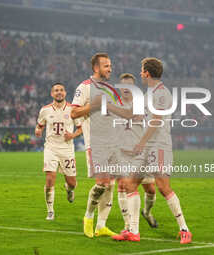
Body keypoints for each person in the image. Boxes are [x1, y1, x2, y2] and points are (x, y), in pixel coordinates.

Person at [111, 58, 192, 243]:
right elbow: (134, 114)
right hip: (147, 147)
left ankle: (185, 229)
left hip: (159, 146)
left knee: (163, 187)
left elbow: (156, 120)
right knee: (131, 184)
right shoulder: (148, 94)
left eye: (141, 70)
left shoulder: (162, 93)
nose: (140, 73)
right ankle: (133, 231)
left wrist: (141, 142)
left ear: (147, 73)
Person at [71, 53, 117, 238]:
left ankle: (101, 226)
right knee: (102, 184)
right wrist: (93, 106)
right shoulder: (84, 87)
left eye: (110, 65)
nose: (110, 69)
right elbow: (74, 113)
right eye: (106, 66)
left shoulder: (110, 89)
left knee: (111, 184)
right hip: (96, 144)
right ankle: (88, 217)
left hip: (112, 142)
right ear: (96, 68)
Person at [107, 73, 158, 232]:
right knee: (123, 185)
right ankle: (128, 225)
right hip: (121, 151)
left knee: (150, 189)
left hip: (140, 151)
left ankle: (147, 212)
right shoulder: (113, 105)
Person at [35, 83, 82, 220]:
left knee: (72, 182)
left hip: (67, 149)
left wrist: (72, 135)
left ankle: (69, 189)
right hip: (51, 148)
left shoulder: (73, 110)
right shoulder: (45, 110)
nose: (59, 92)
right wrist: (38, 131)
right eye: (56, 90)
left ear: (65, 93)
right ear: (52, 94)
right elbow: (39, 126)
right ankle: (50, 211)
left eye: (61, 90)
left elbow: (80, 129)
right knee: (50, 180)